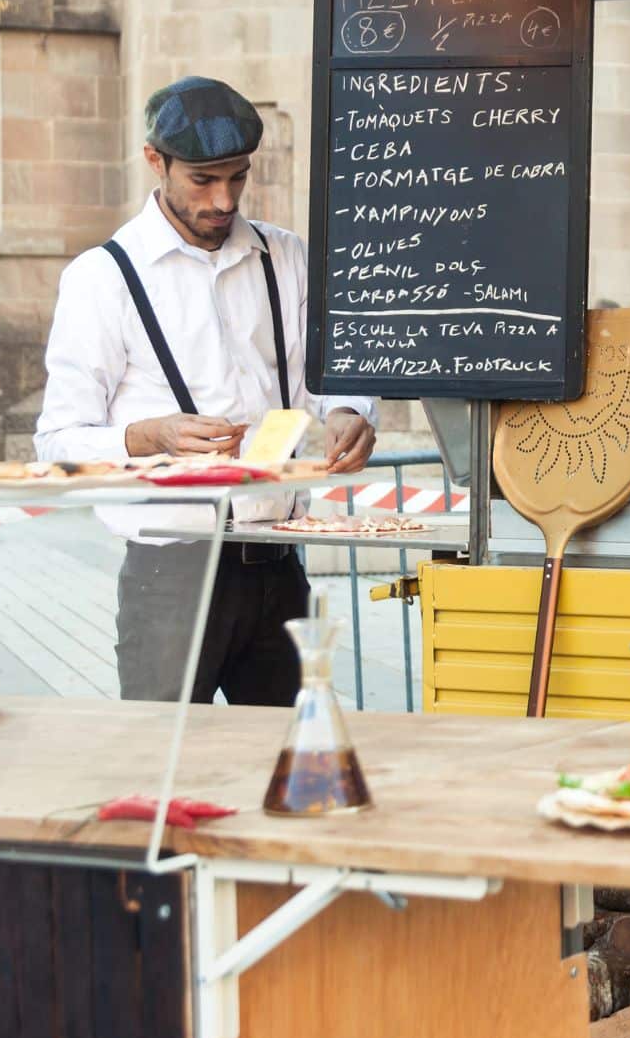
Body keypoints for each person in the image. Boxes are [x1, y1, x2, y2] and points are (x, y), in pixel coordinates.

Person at [35, 76, 378, 706]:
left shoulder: (286, 256)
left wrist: (350, 411)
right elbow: (56, 442)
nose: (224, 199)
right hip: (170, 571)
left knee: (286, 767)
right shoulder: (102, 278)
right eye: (202, 180)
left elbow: (333, 374)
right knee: (165, 767)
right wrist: (148, 435)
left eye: (238, 177)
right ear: (154, 161)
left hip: (278, 560)